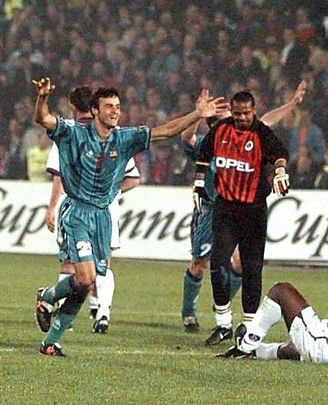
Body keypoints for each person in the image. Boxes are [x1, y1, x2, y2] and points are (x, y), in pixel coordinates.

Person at [33, 77, 228, 356]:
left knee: (86, 284)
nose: (115, 111)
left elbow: (165, 131)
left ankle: (49, 319)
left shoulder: (125, 138)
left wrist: (197, 114)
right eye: (109, 106)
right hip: (76, 212)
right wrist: (42, 98)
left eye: (118, 106)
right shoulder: (73, 133)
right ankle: (52, 324)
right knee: (86, 279)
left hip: (102, 216)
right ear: (96, 111)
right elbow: (43, 119)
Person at [182, 82, 306, 336]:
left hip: (249, 209)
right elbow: (187, 138)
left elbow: (268, 126)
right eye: (230, 114)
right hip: (211, 208)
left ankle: (235, 321)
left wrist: (291, 105)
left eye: (239, 113)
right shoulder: (211, 137)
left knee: (242, 265)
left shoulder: (255, 133)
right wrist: (196, 115)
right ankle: (189, 314)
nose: (235, 118)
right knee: (201, 264)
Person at [45, 85, 140, 334]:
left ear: (72, 107)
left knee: (69, 263)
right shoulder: (119, 137)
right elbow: (134, 177)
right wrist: (109, 191)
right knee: (103, 264)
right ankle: (101, 312)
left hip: (76, 208)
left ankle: (59, 306)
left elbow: (58, 178)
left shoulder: (68, 134)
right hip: (107, 209)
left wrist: (52, 207)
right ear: (95, 108)